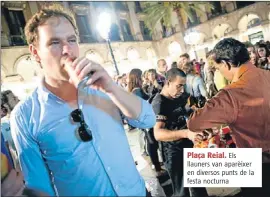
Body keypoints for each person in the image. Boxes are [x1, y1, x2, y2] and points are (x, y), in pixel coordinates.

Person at [10, 4, 156, 196]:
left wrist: (111, 87)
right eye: (54, 42)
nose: (67, 50)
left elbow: (147, 120)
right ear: (35, 52)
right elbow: (39, 186)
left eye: (71, 40)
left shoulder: (102, 86)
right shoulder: (24, 116)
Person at [187, 38, 270, 197]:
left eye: (218, 68)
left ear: (226, 64)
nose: (220, 72)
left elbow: (194, 123)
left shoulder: (232, 93)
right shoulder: (267, 74)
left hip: (258, 166)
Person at [151, 68, 208, 197]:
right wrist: (186, 133)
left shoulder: (179, 96)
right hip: (173, 152)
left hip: (189, 146)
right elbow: (158, 134)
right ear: (168, 82)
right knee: (182, 191)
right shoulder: (159, 103)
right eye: (179, 86)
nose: (181, 90)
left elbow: (188, 114)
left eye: (183, 86)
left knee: (198, 185)